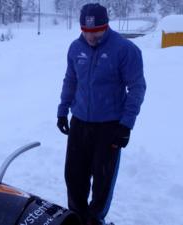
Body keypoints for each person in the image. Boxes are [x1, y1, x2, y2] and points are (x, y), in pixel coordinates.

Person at [56, 3, 146, 225]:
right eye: (85, 31)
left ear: (106, 26)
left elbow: (137, 88)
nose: (90, 36)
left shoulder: (125, 50)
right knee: (74, 176)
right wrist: (62, 111)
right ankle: (77, 218)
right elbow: (71, 80)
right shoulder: (75, 48)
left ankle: (95, 220)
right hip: (79, 123)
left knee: (102, 181)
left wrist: (126, 126)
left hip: (109, 127)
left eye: (96, 31)